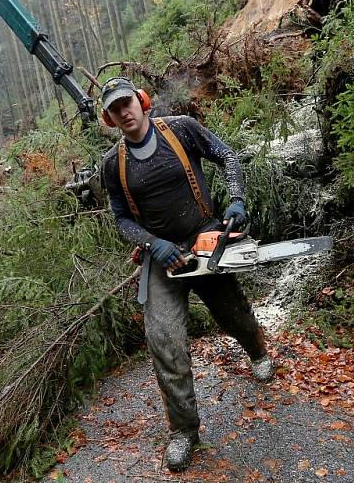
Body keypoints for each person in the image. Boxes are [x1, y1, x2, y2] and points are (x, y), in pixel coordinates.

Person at [99, 76, 275, 472]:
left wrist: (237, 200)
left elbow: (227, 155)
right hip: (162, 257)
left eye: (127, 102)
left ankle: (258, 351)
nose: (124, 111)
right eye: (114, 108)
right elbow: (121, 219)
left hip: (203, 238)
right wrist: (151, 243)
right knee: (164, 340)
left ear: (141, 101)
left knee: (233, 315)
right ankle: (184, 431)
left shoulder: (180, 129)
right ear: (109, 118)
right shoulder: (113, 164)